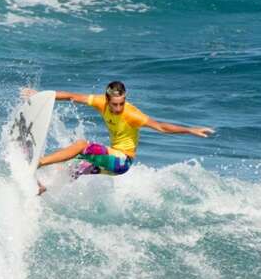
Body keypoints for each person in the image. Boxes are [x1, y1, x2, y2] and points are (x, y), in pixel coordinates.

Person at [23, 81, 213, 194]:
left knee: (81, 145)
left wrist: (190, 130)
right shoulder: (100, 102)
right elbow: (72, 96)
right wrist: (42, 96)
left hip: (122, 161)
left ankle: (38, 162)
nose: (118, 108)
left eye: (121, 103)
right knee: (67, 164)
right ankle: (42, 187)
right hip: (113, 163)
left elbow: (161, 127)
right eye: (114, 104)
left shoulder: (131, 114)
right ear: (107, 99)